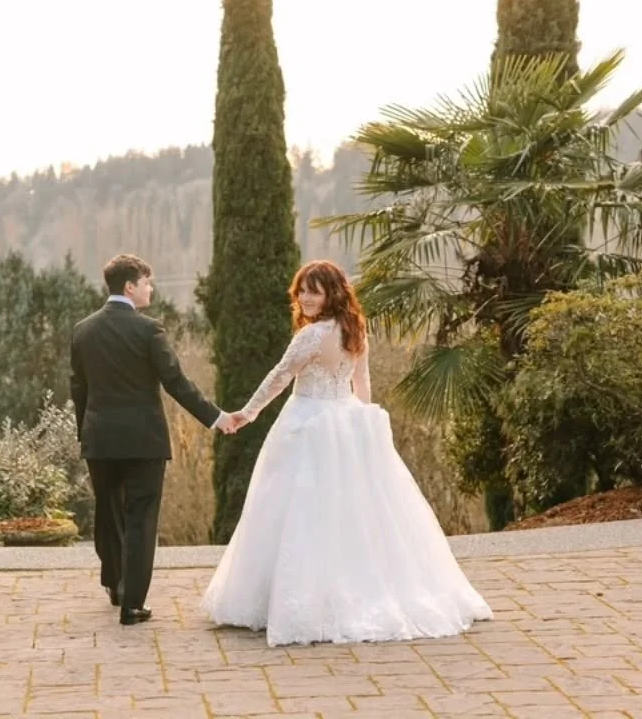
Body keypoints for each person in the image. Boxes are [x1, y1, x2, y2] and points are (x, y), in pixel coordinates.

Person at [202, 260, 493, 646]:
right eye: (302, 290)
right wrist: (363, 421)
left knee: (299, 513)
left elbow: (280, 376)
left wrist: (248, 413)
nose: (305, 297)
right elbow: (362, 382)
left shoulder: (311, 336)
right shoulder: (355, 330)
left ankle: (305, 604)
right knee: (353, 513)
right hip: (345, 420)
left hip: (307, 423)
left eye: (314, 291)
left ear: (332, 294)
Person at [70, 253, 238, 626]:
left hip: (99, 440)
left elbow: (78, 389)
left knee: (107, 513)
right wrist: (216, 417)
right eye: (147, 282)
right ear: (130, 286)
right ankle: (132, 604)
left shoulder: (82, 330)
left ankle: (115, 585)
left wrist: (86, 434)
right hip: (143, 442)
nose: (151, 288)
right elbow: (176, 383)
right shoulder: (149, 330)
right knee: (140, 520)